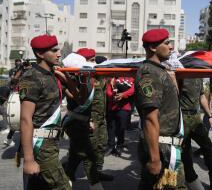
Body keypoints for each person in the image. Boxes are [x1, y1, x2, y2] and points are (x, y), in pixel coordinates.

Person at [19, 34, 80, 189]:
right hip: (40, 145)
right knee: (64, 186)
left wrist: (66, 76)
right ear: (40, 54)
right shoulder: (32, 77)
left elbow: (77, 97)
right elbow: (25, 119)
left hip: (52, 143)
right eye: (54, 50)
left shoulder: (53, 74)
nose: (59, 53)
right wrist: (28, 159)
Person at [135, 28, 186, 189]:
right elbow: (150, 117)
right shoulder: (150, 73)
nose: (171, 47)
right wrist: (155, 158)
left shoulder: (160, 71)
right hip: (160, 149)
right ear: (152, 47)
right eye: (166, 43)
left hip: (166, 147)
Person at [62, 48, 113, 189]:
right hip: (86, 119)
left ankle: (93, 171)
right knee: (87, 152)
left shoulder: (98, 74)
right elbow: (76, 100)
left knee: (99, 146)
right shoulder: (76, 77)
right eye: (91, 60)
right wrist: (88, 120)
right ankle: (91, 179)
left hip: (100, 118)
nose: (94, 63)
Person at [180, 78, 212, 190]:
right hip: (181, 118)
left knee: (208, 147)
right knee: (185, 152)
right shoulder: (179, 74)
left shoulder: (197, 76)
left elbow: (201, 97)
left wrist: (209, 115)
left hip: (196, 118)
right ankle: (192, 180)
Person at [106, 76, 135, 156]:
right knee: (111, 127)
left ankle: (120, 144)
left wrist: (123, 94)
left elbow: (133, 89)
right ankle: (111, 146)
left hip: (124, 107)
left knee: (121, 127)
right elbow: (108, 90)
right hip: (112, 106)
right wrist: (112, 96)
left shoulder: (131, 78)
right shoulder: (112, 78)